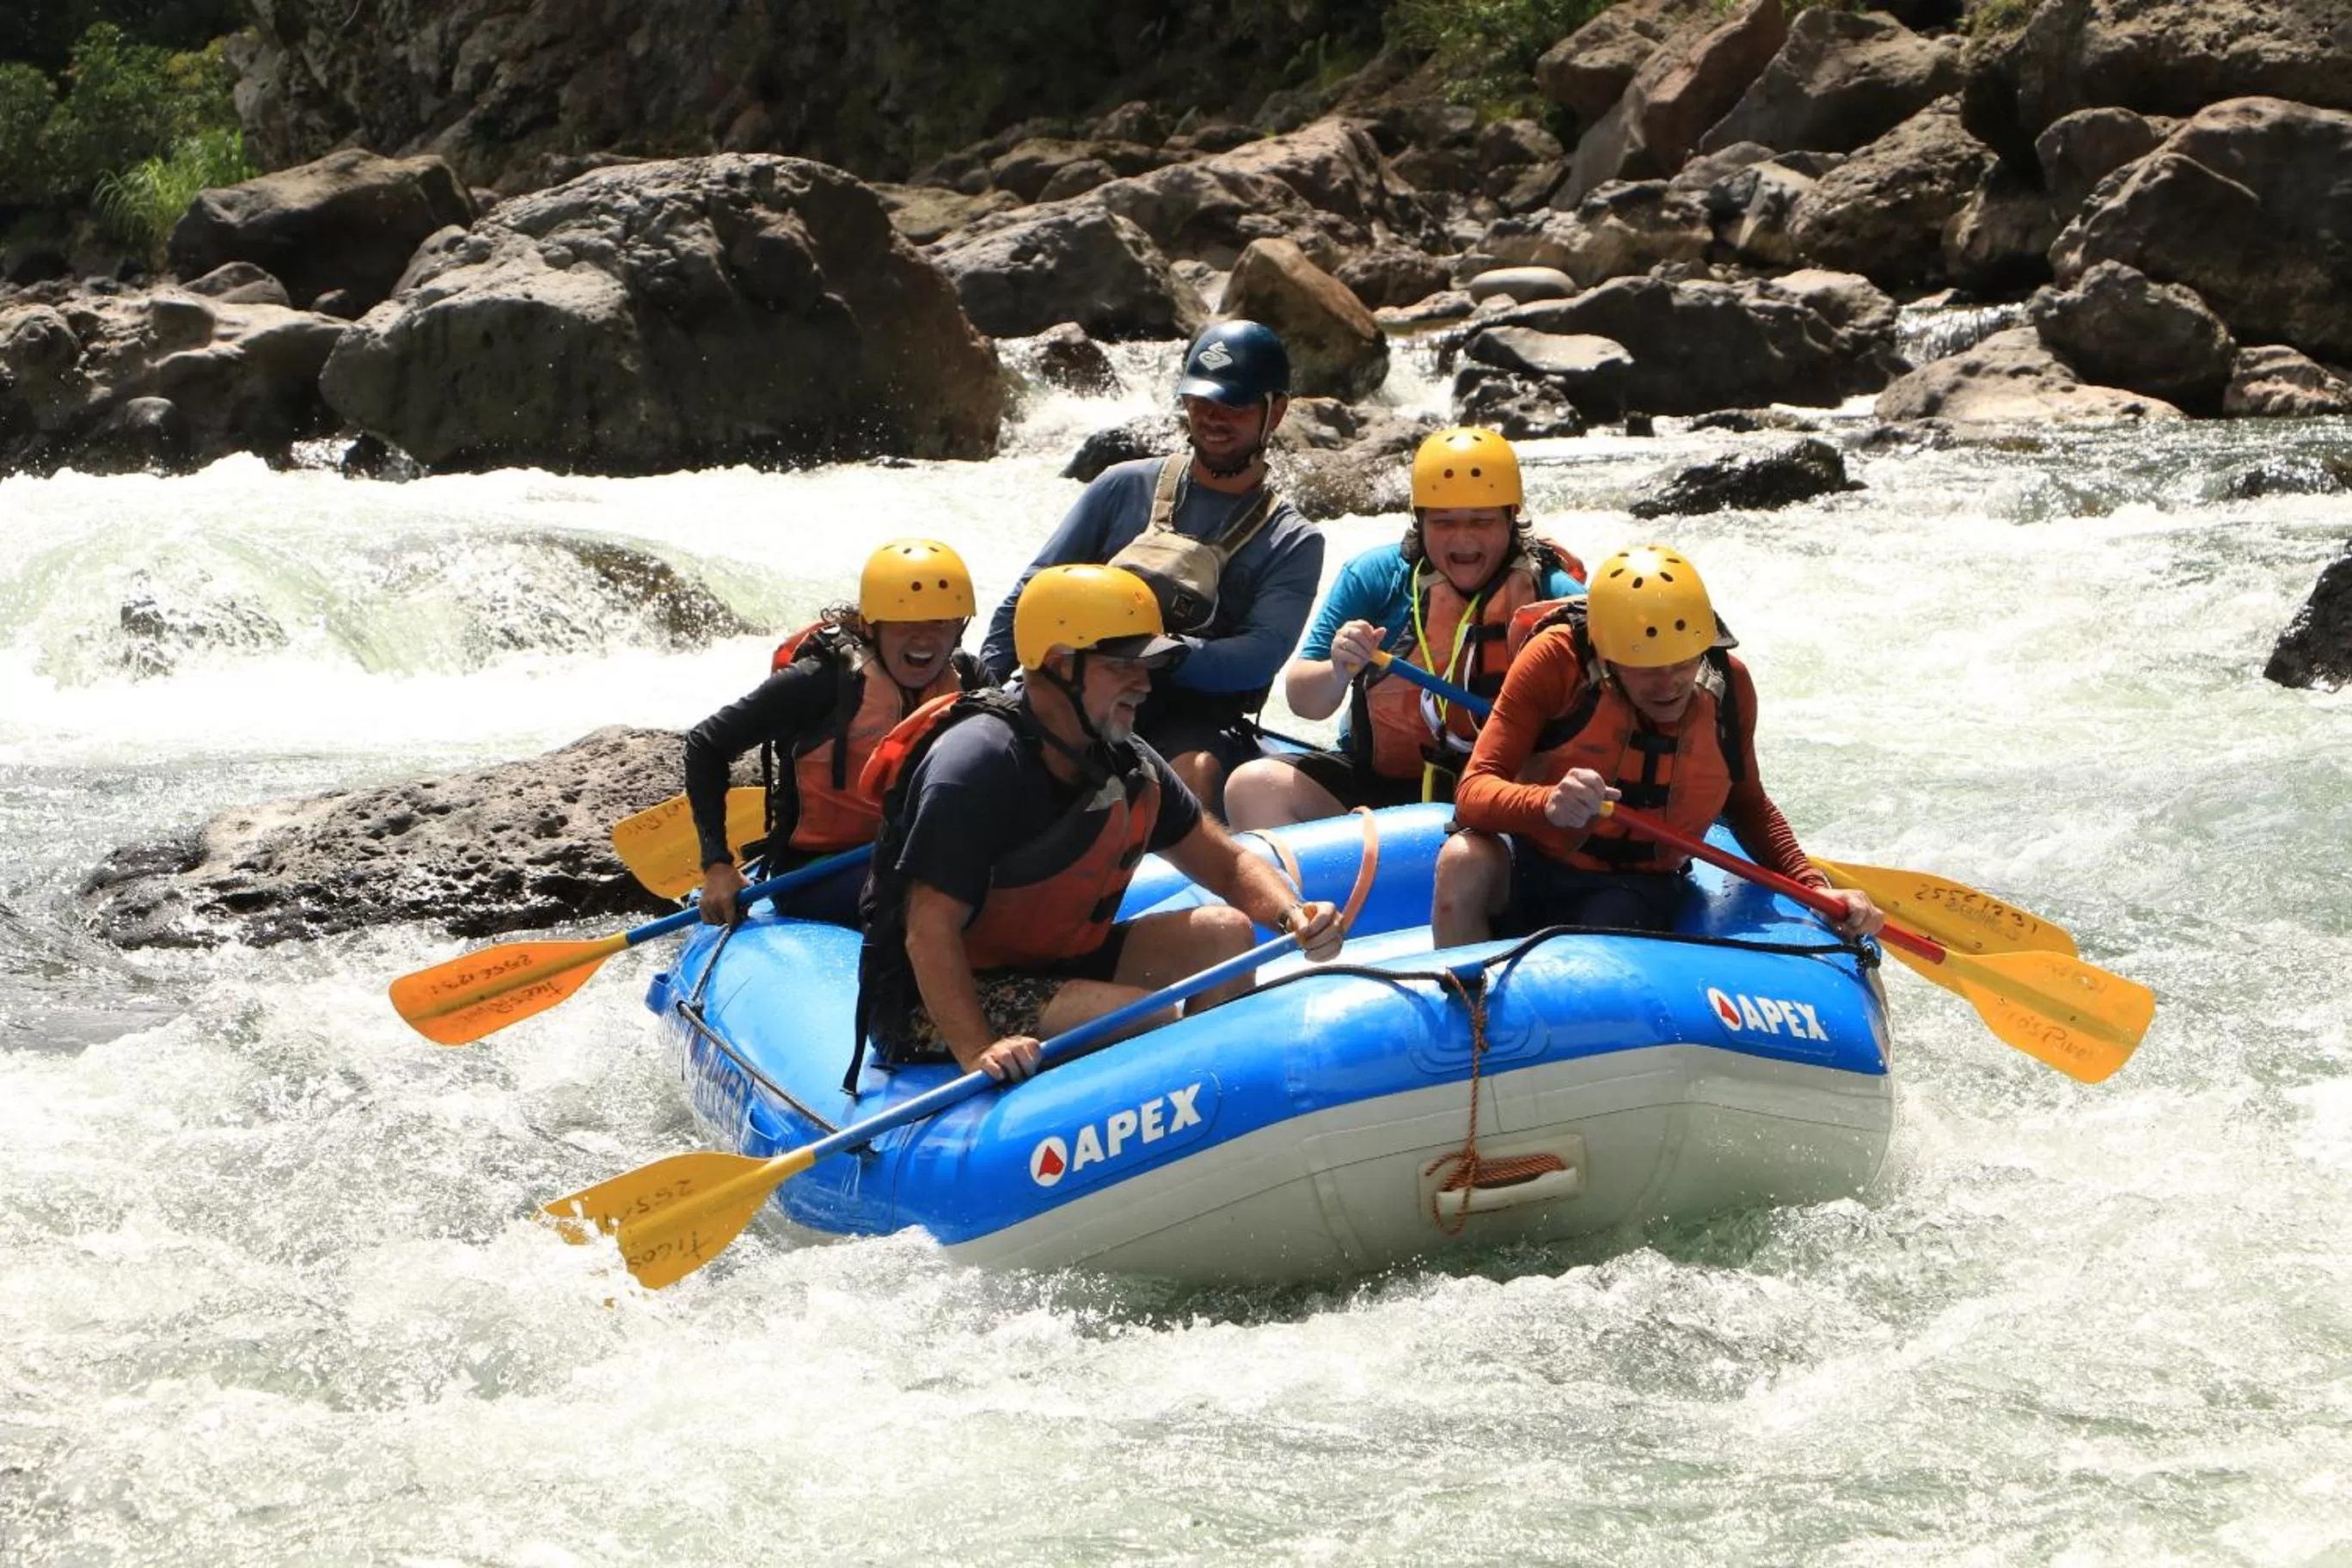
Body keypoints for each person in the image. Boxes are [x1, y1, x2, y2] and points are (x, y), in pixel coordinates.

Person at [854, 563, 1344, 1087]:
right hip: (935, 1000)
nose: (1144, 684)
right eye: (1123, 666)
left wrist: (1295, 914)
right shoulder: (977, 762)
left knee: (1226, 933)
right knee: (1143, 1014)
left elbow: (1229, 865)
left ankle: (1216, 1094)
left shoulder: (1125, 760)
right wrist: (978, 1050)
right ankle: (1175, 1104)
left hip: (1052, 964)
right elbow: (928, 930)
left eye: (1148, 666)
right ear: (1060, 664)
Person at [1433, 544, 1883, 946]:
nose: (1669, 684)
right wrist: (1546, 802)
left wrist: (1813, 886)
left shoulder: (1729, 685)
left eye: (1682, 664)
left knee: (1596, 935)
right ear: (1607, 657)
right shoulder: (1557, 660)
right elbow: (1472, 794)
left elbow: (1747, 803)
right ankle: (1465, 1017)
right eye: (1646, 667)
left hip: (1632, 885)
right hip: (1531, 859)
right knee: (1462, 861)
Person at [980, 320, 1324, 812]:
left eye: (1235, 405)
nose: (1213, 417)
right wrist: (984, 690)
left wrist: (1151, 654)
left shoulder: (1293, 540)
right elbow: (1032, 593)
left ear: (1276, 413)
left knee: (1196, 775)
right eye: (1201, 402)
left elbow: (1259, 655)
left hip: (1186, 714)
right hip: (1078, 688)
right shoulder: (1121, 485)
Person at [1224, 426, 1584, 828]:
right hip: (1380, 786)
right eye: (1443, 523)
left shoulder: (1558, 598)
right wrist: (1340, 670)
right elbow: (1304, 702)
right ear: (1419, 519)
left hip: (1501, 792)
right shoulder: (1375, 577)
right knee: (1253, 787)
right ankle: (1292, 893)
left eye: (1481, 521)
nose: (1463, 540)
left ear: (1511, 517)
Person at [683, 539, 986, 927]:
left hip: (922, 855)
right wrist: (717, 865)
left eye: (939, 623)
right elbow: (706, 744)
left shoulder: (971, 680)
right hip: (818, 870)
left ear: (959, 628)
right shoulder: (823, 680)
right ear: (871, 625)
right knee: (927, 891)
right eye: (905, 622)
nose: (924, 638)